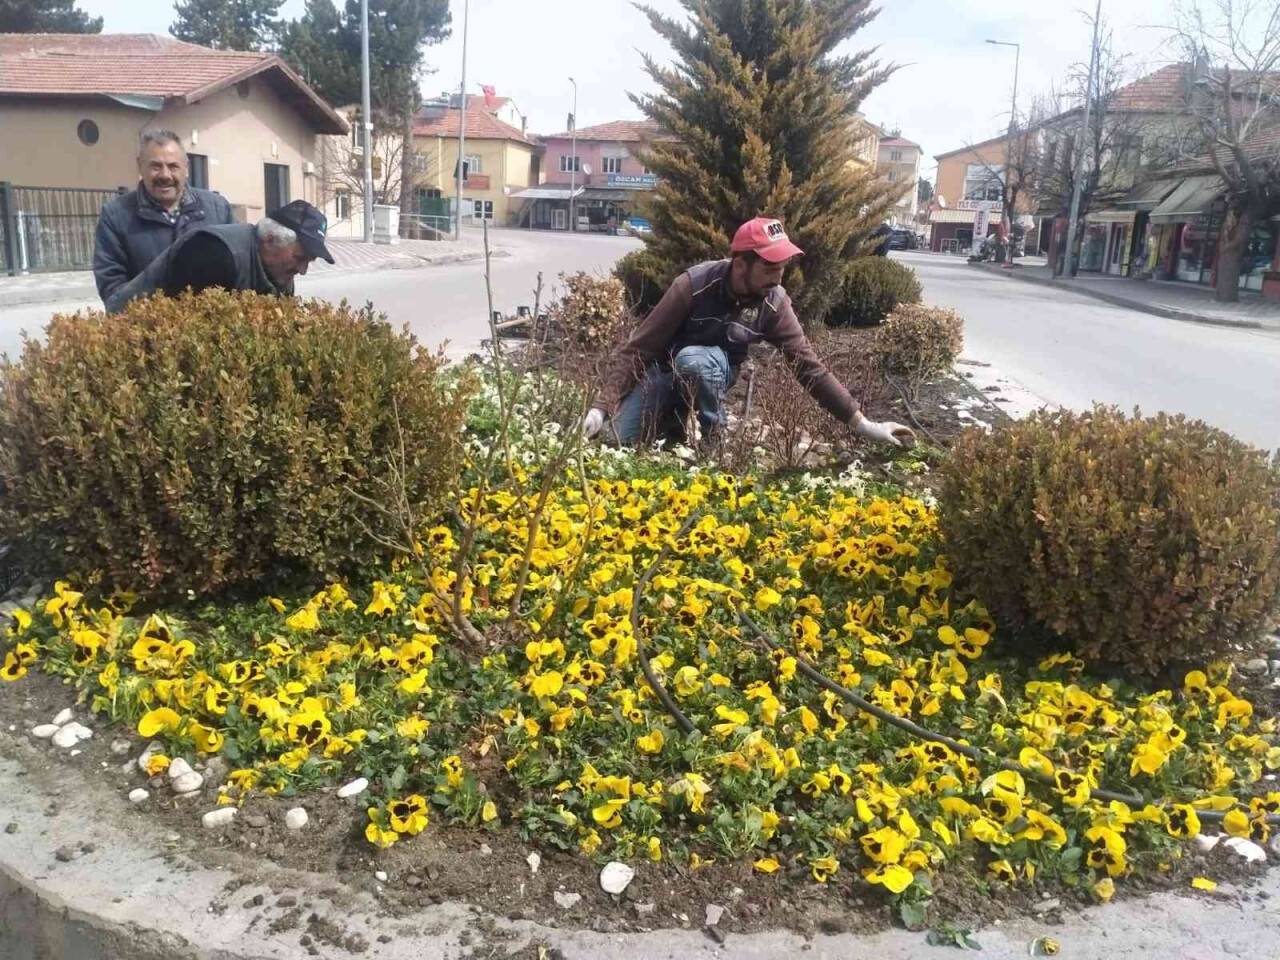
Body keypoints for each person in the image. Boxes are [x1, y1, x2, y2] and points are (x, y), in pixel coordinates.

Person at [582, 217, 915, 451]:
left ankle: (713, 444)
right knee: (618, 442)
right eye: (770, 268)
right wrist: (601, 408)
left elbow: (809, 367)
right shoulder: (694, 285)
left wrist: (862, 423)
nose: (778, 277)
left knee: (696, 361)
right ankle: (673, 423)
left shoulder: (774, 301)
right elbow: (640, 348)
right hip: (663, 373)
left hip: (710, 372)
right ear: (740, 264)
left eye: (782, 268)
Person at [104, 199, 334, 314]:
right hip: (128, 330)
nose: (302, 270)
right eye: (299, 258)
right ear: (270, 240)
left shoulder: (282, 276)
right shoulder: (213, 253)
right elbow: (185, 326)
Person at [93, 129, 233, 309]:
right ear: (140, 167)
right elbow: (112, 288)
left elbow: (240, 266)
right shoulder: (116, 216)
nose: (165, 175)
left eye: (173, 166)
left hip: (211, 328)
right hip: (150, 330)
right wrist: (158, 317)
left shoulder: (218, 209)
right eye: (155, 166)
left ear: (186, 168)